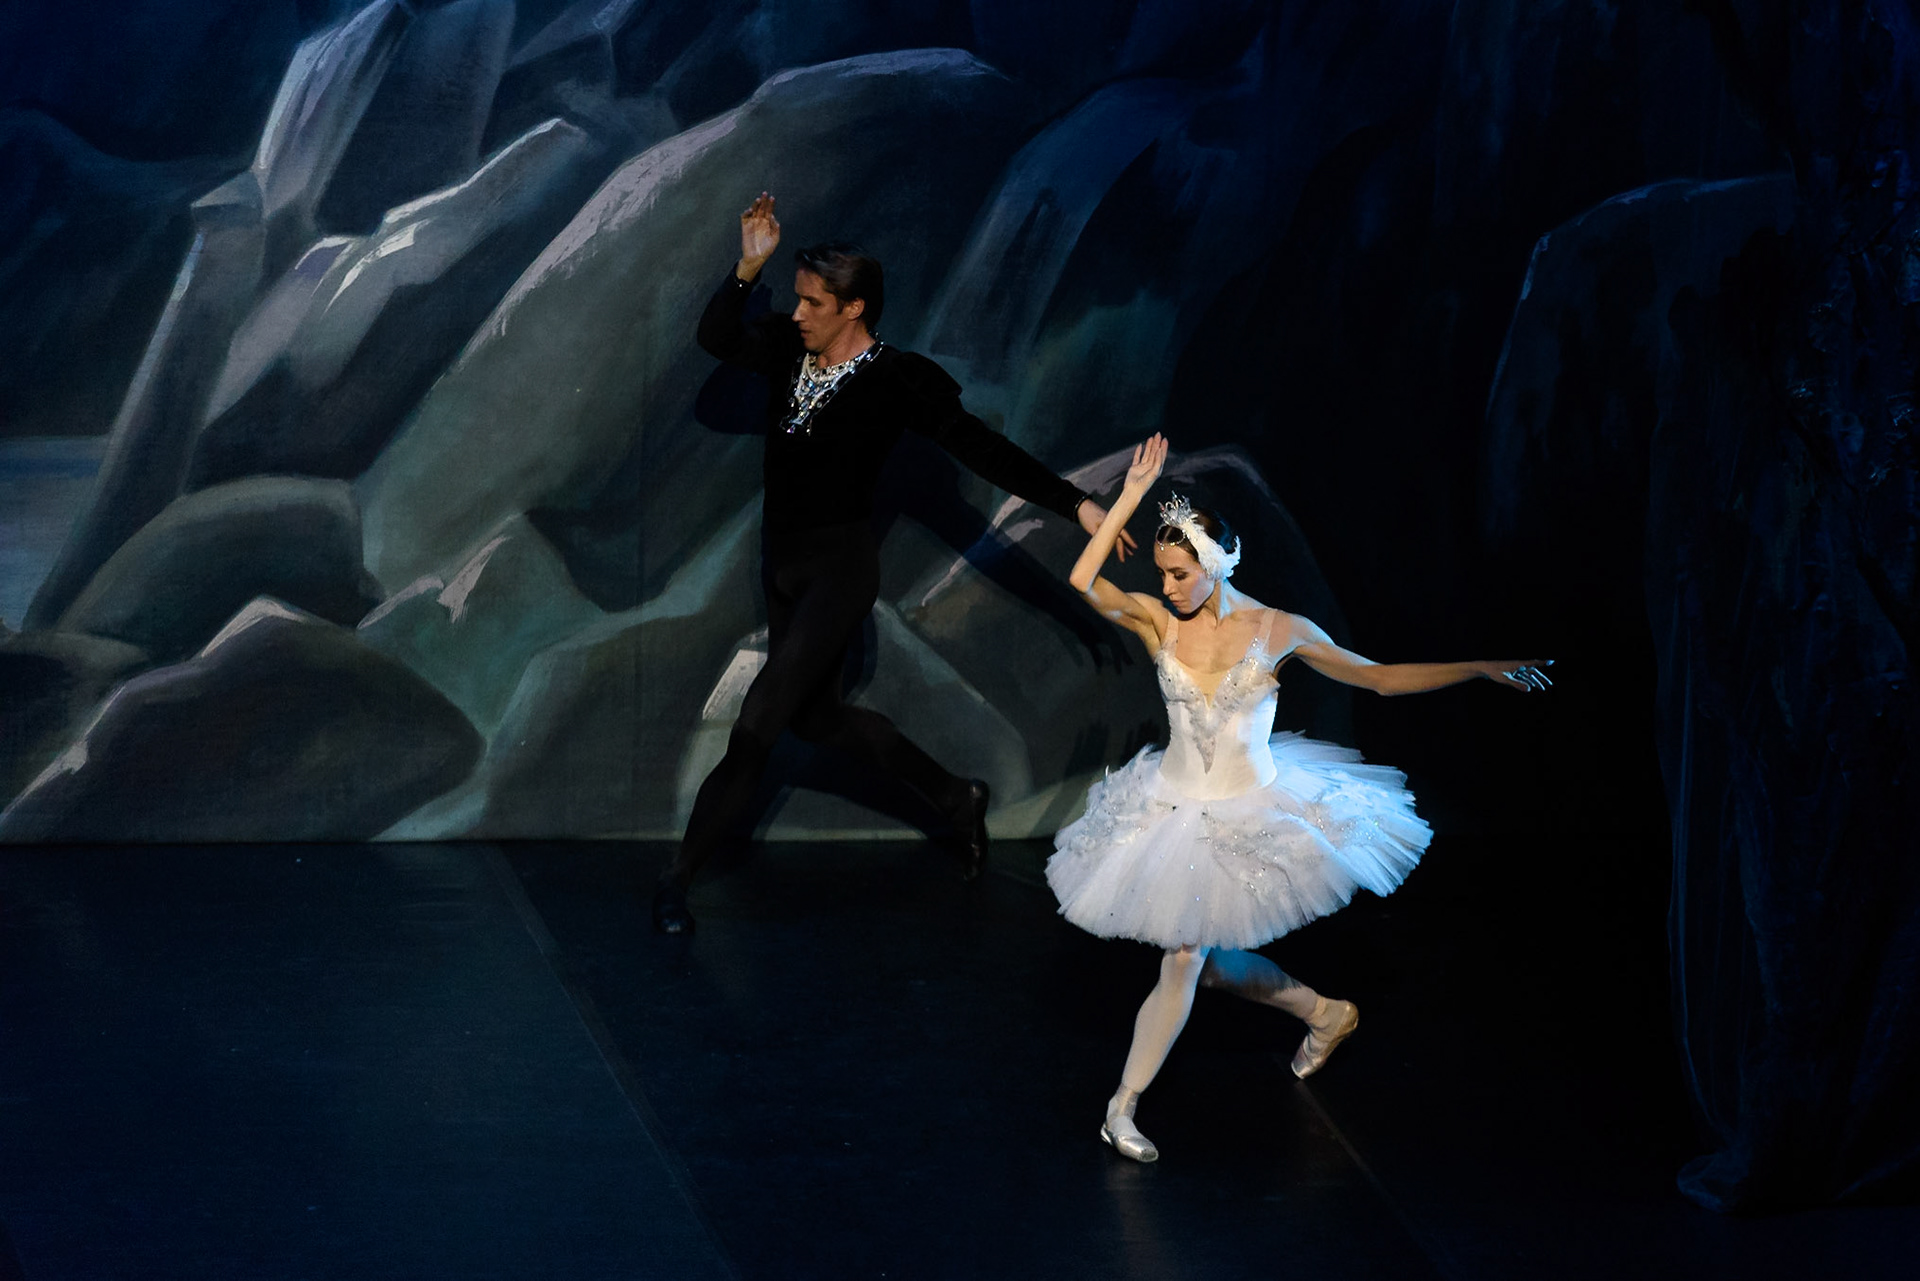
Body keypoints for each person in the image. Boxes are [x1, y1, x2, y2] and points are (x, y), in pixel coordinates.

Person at [1049, 434, 1552, 1162]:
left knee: (1187, 955)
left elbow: (1377, 677)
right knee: (1203, 958)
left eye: (1180, 572)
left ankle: (1120, 1105)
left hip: (1249, 804)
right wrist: (1129, 495)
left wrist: (1477, 666)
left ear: (1217, 563)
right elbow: (1084, 583)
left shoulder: (1280, 630)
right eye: (1161, 573)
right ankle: (1326, 1012)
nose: (1167, 587)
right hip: (1172, 808)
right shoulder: (1160, 621)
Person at [655, 193, 1133, 934]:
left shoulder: (896, 379)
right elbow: (717, 335)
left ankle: (676, 884)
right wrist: (749, 266)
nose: (799, 311)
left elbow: (983, 449)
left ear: (855, 308)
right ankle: (953, 796)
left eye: (814, 302)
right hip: (781, 565)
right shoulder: (791, 349)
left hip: (839, 572)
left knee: (755, 727)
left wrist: (1076, 504)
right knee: (815, 720)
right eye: (800, 299)